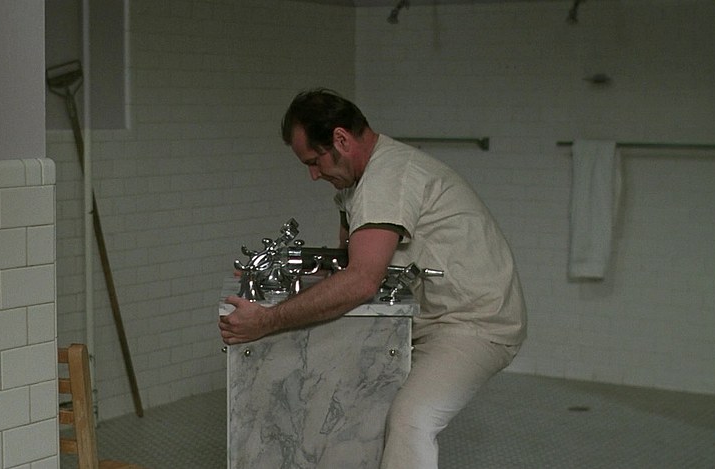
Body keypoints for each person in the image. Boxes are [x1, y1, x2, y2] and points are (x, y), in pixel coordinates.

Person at [218, 88, 526, 469]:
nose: (313, 175)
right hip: (430, 319)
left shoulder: (386, 178)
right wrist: (279, 266)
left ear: (341, 140)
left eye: (314, 161)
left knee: (411, 421)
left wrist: (266, 320)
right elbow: (351, 262)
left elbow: (361, 281)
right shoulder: (358, 183)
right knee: (361, 406)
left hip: (475, 323)